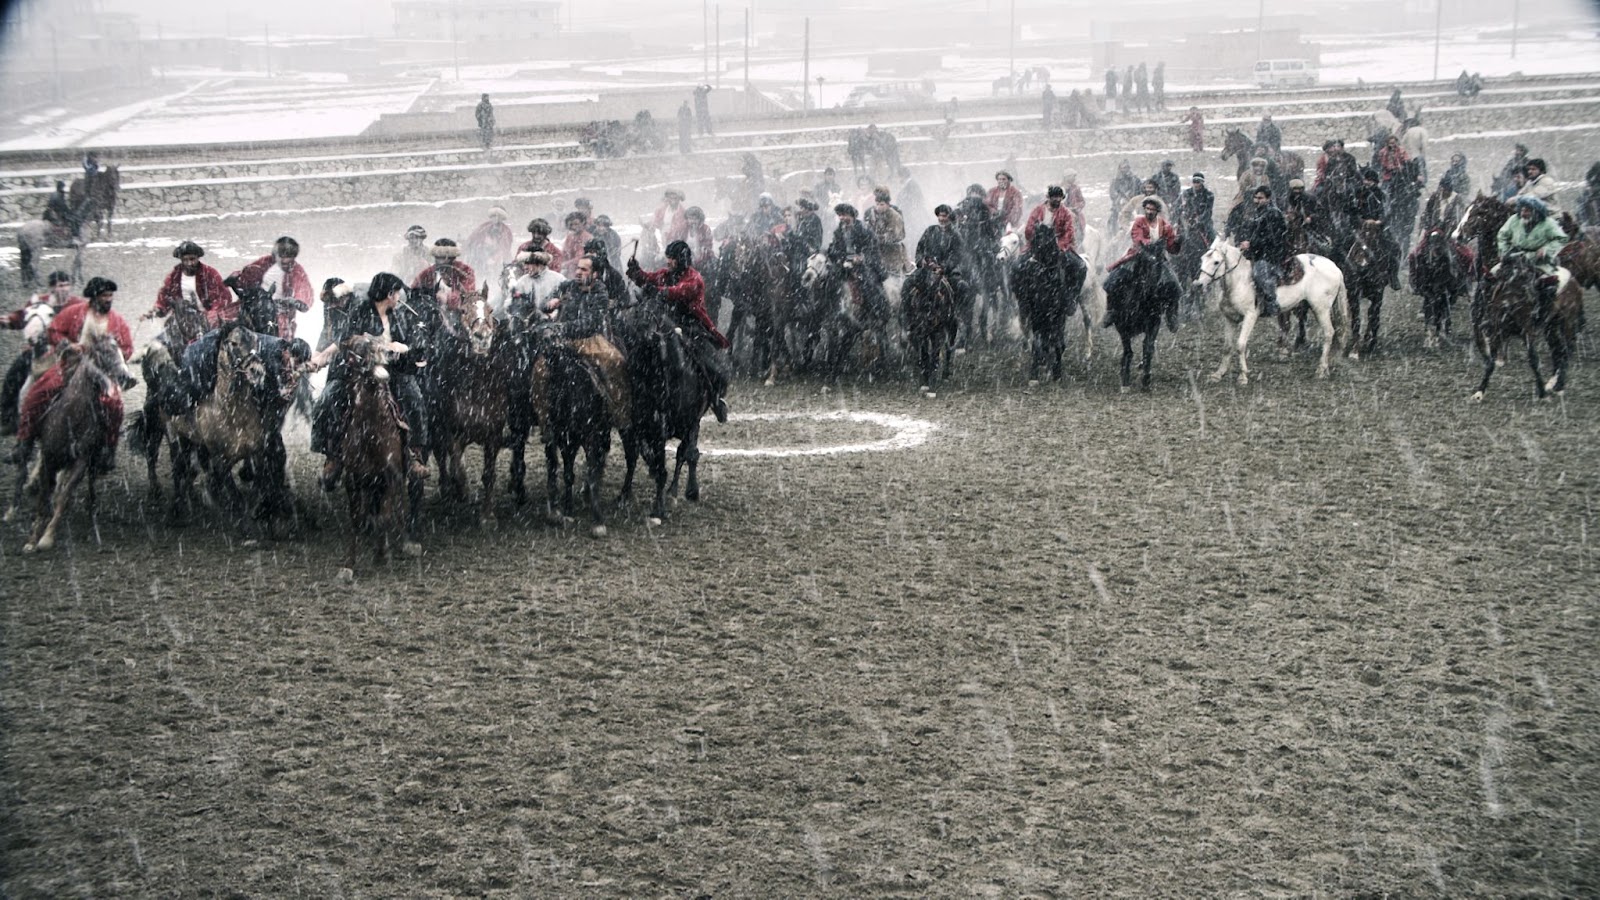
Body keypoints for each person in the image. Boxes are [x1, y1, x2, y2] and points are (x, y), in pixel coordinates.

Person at [307, 273, 430, 486]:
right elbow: (342, 341)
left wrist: (406, 349)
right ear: (389, 293)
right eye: (397, 292)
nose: (399, 296)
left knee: (415, 400)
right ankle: (333, 457)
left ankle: (414, 454)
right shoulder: (360, 312)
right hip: (360, 373)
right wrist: (320, 360)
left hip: (394, 373)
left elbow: (411, 341)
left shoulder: (399, 315)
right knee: (328, 399)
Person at [14, 276, 136, 470]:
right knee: (38, 393)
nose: (108, 299)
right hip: (70, 365)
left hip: (101, 370)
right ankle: (25, 442)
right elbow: (53, 331)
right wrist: (69, 345)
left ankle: (108, 449)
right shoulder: (75, 312)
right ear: (94, 297)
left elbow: (127, 347)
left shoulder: (117, 321)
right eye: (105, 296)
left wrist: (112, 355)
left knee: (115, 405)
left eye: (110, 296)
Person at [625, 241, 730, 422]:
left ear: (681, 260)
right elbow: (648, 279)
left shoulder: (694, 278)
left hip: (691, 325)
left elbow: (678, 292)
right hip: (666, 322)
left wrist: (658, 291)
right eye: (668, 258)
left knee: (709, 364)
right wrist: (636, 271)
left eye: (671, 259)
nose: (668, 262)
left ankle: (715, 398)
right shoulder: (666, 275)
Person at [1, 270, 79, 435]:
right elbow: (23, 317)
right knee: (12, 377)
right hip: (38, 350)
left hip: (68, 351)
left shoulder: (77, 304)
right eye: (60, 285)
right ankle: (9, 420)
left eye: (66, 285)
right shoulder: (39, 301)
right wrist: (8, 321)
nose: (64, 289)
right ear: (51, 287)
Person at [1106, 196, 1183, 330]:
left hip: (1158, 259)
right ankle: (1111, 311)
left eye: (1152, 209)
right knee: (1111, 281)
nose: (1149, 211)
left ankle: (1172, 314)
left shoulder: (1165, 225)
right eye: (1147, 208)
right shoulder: (1139, 221)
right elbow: (1138, 238)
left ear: (1157, 211)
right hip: (1137, 256)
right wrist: (1150, 246)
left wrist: (1177, 242)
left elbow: (1172, 249)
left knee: (1175, 285)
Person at [1491, 195, 1568, 315]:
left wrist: (1546, 250)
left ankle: (1544, 312)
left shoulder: (1548, 223)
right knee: (1492, 276)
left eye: (1527, 210)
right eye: (1522, 210)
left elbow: (1561, 239)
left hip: (1540, 261)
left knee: (1547, 286)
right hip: (1515, 257)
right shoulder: (1513, 220)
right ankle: (1492, 309)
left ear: (1535, 212)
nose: (1523, 213)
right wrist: (1504, 251)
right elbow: (1502, 235)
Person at [235, 236, 313, 339]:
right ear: (276, 254)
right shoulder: (265, 262)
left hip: (279, 311)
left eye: (288, 257)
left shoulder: (297, 270)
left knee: (280, 337)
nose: (284, 260)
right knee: (222, 321)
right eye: (282, 256)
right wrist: (236, 280)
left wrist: (298, 301)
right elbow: (247, 276)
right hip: (255, 306)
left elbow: (303, 288)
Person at [826, 202, 891, 324]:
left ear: (851, 215)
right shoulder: (838, 232)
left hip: (864, 264)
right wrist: (841, 257)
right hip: (844, 264)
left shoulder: (863, 229)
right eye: (839, 215)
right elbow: (833, 249)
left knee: (868, 283)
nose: (841, 218)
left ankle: (878, 312)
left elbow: (872, 248)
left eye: (844, 215)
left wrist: (862, 257)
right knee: (829, 279)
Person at [144, 240, 230, 332]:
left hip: (207, 320)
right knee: (159, 343)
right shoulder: (173, 277)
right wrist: (156, 310)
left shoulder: (210, 274)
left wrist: (212, 313)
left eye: (192, 259)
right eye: (185, 260)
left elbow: (222, 297)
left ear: (198, 258)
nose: (189, 263)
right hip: (181, 320)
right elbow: (164, 298)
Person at [1235, 187, 1289, 316]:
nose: (1257, 200)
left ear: (1268, 199)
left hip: (1272, 254)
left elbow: (1273, 238)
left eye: (1260, 198)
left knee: (1260, 273)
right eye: (1256, 198)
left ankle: (1272, 303)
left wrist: (1251, 244)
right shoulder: (1259, 212)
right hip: (1258, 251)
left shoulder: (1273, 213)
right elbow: (1255, 233)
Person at [1354, 168, 1404, 290]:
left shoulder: (1381, 195)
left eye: (1370, 180)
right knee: (1341, 245)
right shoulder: (1358, 193)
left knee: (1395, 249)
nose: (1367, 182)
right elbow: (1353, 210)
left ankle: (1393, 275)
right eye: (1366, 180)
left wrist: (1379, 221)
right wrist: (1362, 221)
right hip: (1360, 227)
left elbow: (1387, 211)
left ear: (1375, 182)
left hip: (1379, 228)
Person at [409, 238, 477, 311]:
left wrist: (448, 298)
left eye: (443, 257)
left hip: (461, 312)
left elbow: (469, 294)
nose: (439, 260)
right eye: (437, 256)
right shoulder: (428, 273)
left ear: (452, 258)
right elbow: (414, 290)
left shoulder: (465, 271)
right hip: (432, 311)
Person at [507, 251, 566, 321]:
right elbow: (511, 303)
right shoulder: (522, 281)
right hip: (528, 323)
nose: (525, 267)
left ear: (540, 264)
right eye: (524, 264)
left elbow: (569, 296)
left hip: (554, 322)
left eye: (529, 264)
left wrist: (558, 300)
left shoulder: (558, 279)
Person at [864, 187, 909, 275]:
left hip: (892, 253)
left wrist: (876, 238)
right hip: (875, 253)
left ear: (887, 203)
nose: (878, 207)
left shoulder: (894, 214)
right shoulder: (869, 213)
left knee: (893, 279)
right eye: (877, 203)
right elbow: (866, 230)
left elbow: (895, 235)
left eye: (881, 204)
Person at [1177, 173, 1216, 245]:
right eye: (1194, 182)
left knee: (1212, 236)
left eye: (1198, 182)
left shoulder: (1209, 194)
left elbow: (1208, 211)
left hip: (1204, 222)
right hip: (1188, 221)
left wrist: (1199, 220)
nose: (1196, 184)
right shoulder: (1186, 193)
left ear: (1202, 182)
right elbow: (1180, 207)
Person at [316, 278, 354, 353]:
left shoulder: (356, 305)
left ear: (345, 296)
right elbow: (327, 329)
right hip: (338, 343)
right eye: (329, 301)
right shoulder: (330, 306)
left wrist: (324, 355)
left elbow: (349, 335)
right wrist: (318, 351)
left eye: (334, 300)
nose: (331, 305)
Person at [1108, 161, 1142, 232]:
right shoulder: (1115, 181)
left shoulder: (1135, 180)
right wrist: (1120, 198)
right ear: (1120, 169)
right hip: (1118, 205)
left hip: (1133, 204)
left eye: (1127, 167)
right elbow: (1112, 193)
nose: (1125, 170)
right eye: (1123, 168)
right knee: (1113, 220)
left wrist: (1132, 198)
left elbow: (1140, 192)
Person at [558, 212, 592, 277]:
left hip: (583, 272)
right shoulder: (570, 236)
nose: (573, 227)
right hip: (569, 271)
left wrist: (565, 265)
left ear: (583, 223)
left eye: (576, 224)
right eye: (571, 224)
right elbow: (564, 253)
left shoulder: (587, 238)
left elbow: (581, 257)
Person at [1060, 171, 1087, 250]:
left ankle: (1078, 241)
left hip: (1074, 212)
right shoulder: (1060, 188)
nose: (1074, 179)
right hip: (1061, 212)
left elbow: (1082, 201)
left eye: (1074, 177)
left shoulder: (1076, 188)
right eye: (1072, 176)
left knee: (1078, 225)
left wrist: (1076, 207)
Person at [1577, 162, 1600, 229]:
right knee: (1583, 202)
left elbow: (1589, 176)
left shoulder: (1597, 165)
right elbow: (1589, 176)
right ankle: (1587, 221)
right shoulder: (1597, 165)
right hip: (1596, 191)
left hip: (1596, 191)